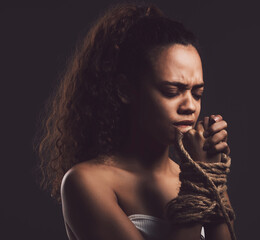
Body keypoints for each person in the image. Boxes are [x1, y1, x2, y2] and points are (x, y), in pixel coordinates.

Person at [35, 2, 235, 240]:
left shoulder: (195, 174)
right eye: (172, 91)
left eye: (197, 93)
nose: (190, 106)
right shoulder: (86, 182)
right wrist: (198, 182)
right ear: (125, 90)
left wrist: (210, 175)